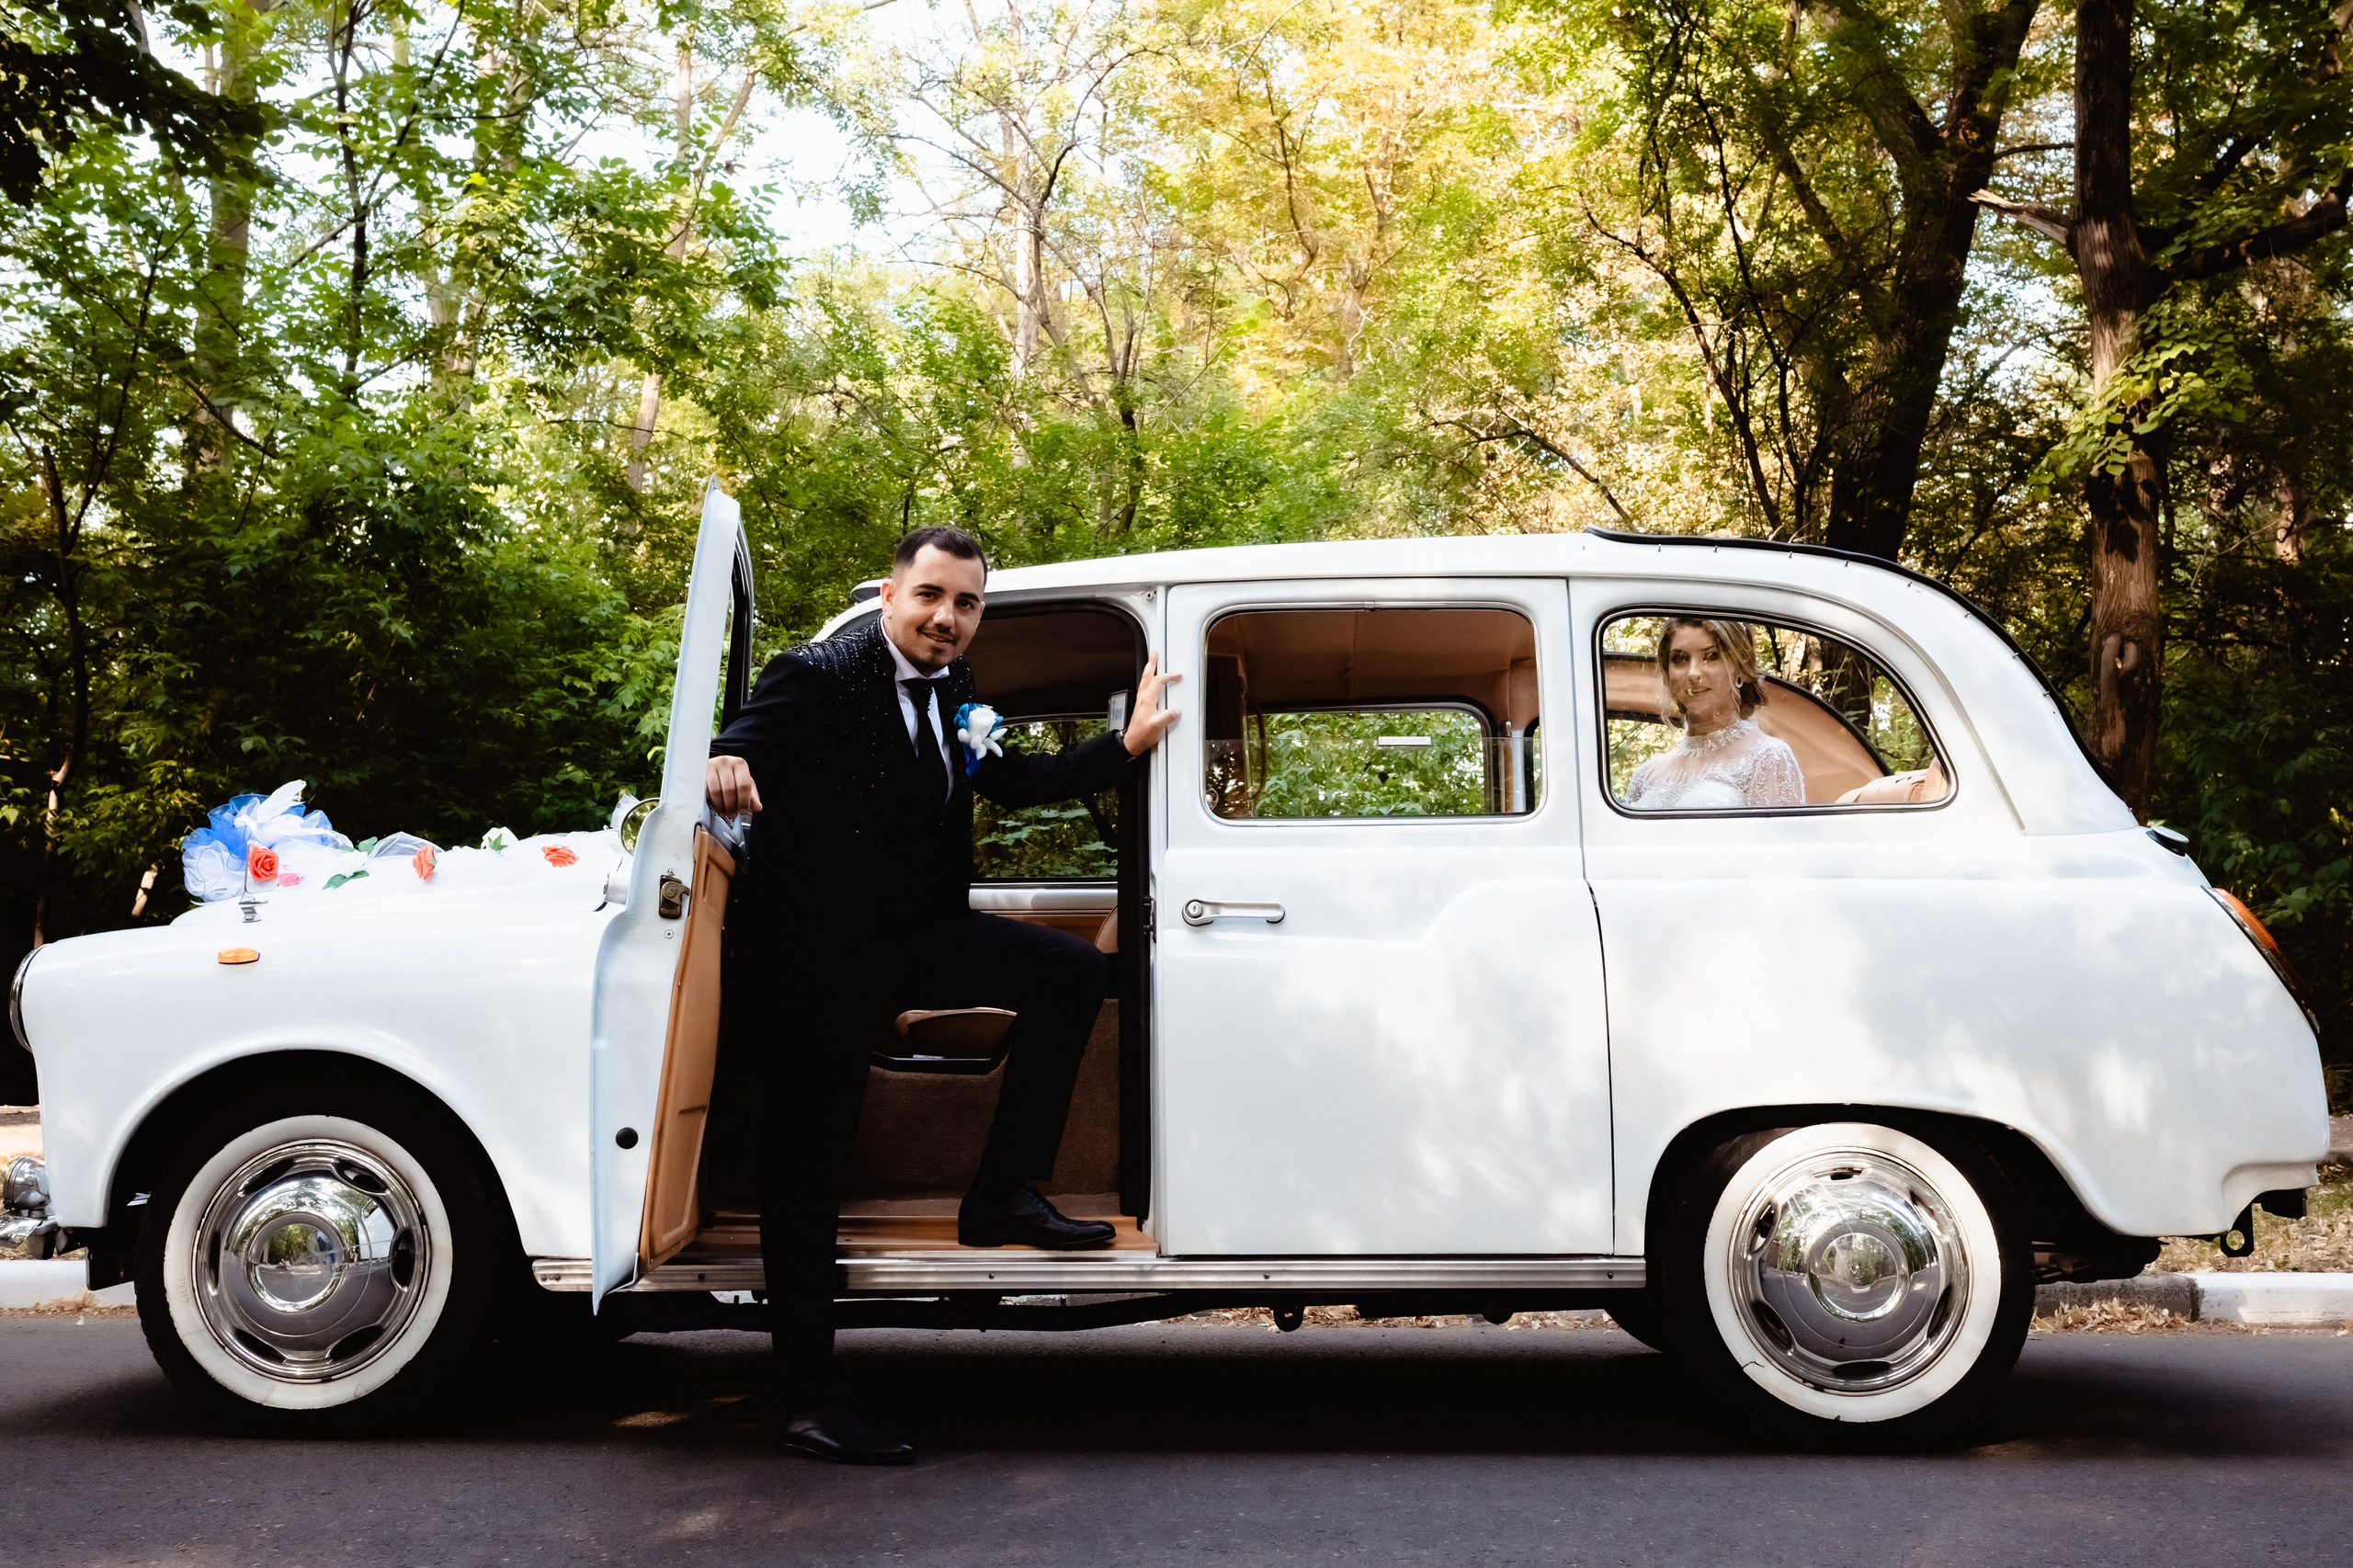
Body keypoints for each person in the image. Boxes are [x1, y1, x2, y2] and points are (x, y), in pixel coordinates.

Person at [703, 526, 1179, 1467]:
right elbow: (740, 747)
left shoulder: (956, 690)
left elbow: (1006, 778)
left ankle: (999, 1191)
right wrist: (725, 764)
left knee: (1073, 969)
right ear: (890, 594)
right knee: (809, 1171)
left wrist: (1122, 745)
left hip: (916, 934)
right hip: (814, 957)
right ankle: (807, 1398)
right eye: (930, 596)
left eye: (965, 603)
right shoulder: (821, 671)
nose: (946, 617)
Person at [1624, 617, 1804, 810]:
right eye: (1681, 659)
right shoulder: (1645, 776)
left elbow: (1778, 839)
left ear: (1740, 668)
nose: (1693, 673)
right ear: (1667, 674)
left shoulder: (1768, 758)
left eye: (1711, 656)